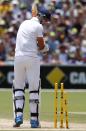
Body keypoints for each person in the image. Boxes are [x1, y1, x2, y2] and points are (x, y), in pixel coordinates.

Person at [12, 4, 49, 128]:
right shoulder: (38, 26)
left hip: (18, 58)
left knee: (18, 87)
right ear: (40, 16)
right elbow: (41, 46)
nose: (45, 22)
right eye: (45, 19)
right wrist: (45, 49)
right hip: (31, 58)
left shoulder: (23, 23)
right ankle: (34, 120)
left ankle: (18, 116)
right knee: (34, 88)